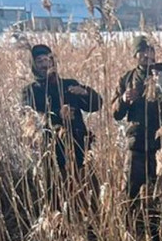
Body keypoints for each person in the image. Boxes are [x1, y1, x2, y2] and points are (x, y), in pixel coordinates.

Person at [112, 35, 162, 199]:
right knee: (131, 192)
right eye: (142, 51)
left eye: (150, 50)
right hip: (137, 145)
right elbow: (115, 113)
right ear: (135, 55)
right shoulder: (127, 79)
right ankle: (134, 224)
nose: (147, 55)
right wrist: (124, 100)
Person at [21, 43, 102, 179]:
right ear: (34, 66)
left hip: (79, 147)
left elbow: (95, 105)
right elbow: (29, 116)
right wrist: (57, 114)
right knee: (56, 192)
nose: (45, 64)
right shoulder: (30, 90)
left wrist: (85, 93)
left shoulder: (68, 84)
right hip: (50, 151)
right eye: (39, 61)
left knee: (86, 188)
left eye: (48, 59)